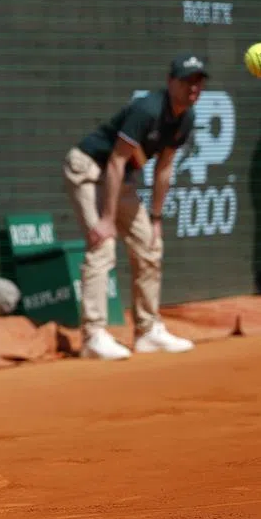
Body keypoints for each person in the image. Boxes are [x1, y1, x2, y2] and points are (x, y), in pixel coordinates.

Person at [62, 55, 203, 361]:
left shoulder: (187, 117)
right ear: (171, 83)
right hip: (88, 169)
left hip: (117, 179)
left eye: (198, 82)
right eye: (187, 81)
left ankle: (147, 331)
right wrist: (108, 219)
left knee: (150, 246)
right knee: (102, 244)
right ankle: (93, 336)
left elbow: (164, 168)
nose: (194, 88)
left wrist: (155, 218)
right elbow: (115, 161)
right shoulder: (147, 109)